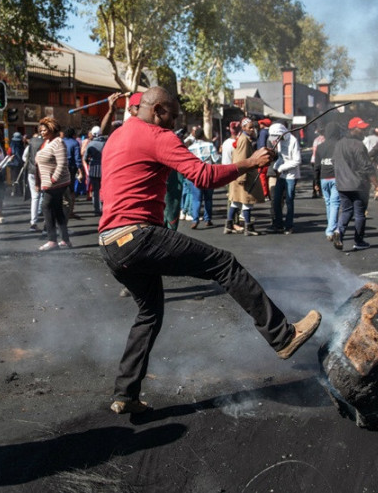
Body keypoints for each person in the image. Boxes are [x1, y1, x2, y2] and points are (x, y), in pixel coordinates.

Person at [98, 87, 321, 414]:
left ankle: (125, 393)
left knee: (149, 313)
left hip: (108, 243)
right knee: (224, 264)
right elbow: (201, 177)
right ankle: (282, 336)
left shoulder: (118, 134)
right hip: (138, 236)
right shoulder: (158, 136)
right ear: (158, 110)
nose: (175, 124)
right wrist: (250, 162)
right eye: (172, 116)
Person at [331, 117, 378, 251]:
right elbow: (366, 167)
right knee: (360, 213)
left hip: (342, 185)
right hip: (358, 185)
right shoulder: (358, 145)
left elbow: (334, 162)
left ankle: (339, 233)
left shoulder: (339, 144)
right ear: (353, 129)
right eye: (361, 128)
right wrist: (377, 185)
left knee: (346, 210)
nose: (364, 131)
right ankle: (359, 241)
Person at [35, 116, 71, 250]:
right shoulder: (46, 143)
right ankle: (65, 240)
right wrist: (39, 181)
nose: (42, 132)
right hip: (48, 182)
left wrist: (53, 179)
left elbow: (62, 163)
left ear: (51, 129)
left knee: (46, 207)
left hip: (56, 183)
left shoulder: (58, 143)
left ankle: (52, 240)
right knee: (57, 210)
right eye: (41, 130)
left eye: (44, 130)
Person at [226, 118, 265, 236]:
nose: (252, 129)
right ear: (243, 128)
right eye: (250, 127)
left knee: (236, 202)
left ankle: (229, 226)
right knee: (247, 202)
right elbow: (241, 159)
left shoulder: (242, 139)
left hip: (239, 176)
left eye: (253, 127)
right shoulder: (244, 140)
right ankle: (248, 227)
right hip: (244, 177)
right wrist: (241, 178)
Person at [265, 122, 301, 234]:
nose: (276, 140)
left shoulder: (293, 141)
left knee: (289, 200)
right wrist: (276, 166)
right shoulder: (280, 142)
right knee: (276, 199)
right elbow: (281, 156)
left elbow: (297, 160)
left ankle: (289, 226)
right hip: (282, 174)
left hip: (291, 176)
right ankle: (278, 224)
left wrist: (281, 168)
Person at [315, 122, 344, 240]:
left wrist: (316, 182)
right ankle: (330, 230)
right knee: (335, 204)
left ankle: (331, 226)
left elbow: (316, 166)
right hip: (336, 177)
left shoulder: (320, 147)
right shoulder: (339, 145)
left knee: (328, 203)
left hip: (323, 178)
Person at [186, 126, 218, 229]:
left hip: (195, 175)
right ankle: (207, 219)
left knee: (196, 199)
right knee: (208, 198)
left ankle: (195, 220)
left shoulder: (190, 148)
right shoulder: (210, 145)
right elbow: (216, 159)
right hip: (208, 173)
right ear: (204, 135)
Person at [21, 130, 44, 231]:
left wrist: (31, 163)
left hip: (31, 172)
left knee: (35, 197)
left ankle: (33, 222)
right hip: (43, 172)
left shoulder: (31, 143)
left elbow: (24, 157)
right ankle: (48, 224)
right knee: (46, 196)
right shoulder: (46, 142)